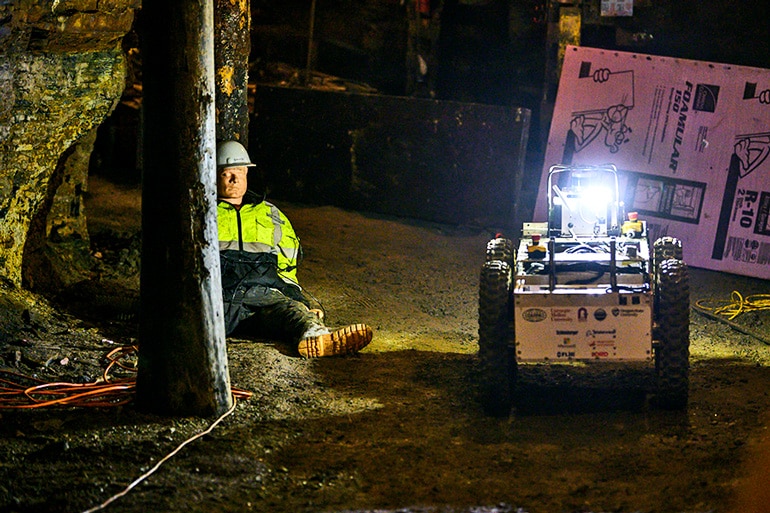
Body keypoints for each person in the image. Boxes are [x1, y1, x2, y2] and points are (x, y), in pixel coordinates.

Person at [215, 140, 373, 357]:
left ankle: (316, 335)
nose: (236, 179)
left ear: (248, 173)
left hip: (263, 298)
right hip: (218, 297)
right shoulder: (202, 212)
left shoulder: (270, 215)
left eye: (241, 171)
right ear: (214, 174)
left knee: (294, 311)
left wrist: (301, 300)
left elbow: (286, 268)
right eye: (227, 173)